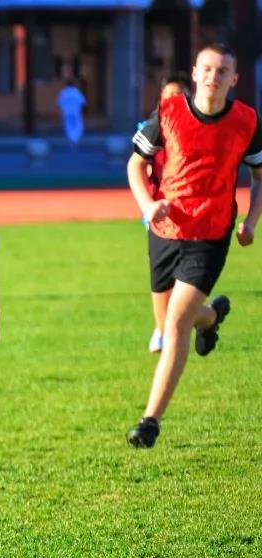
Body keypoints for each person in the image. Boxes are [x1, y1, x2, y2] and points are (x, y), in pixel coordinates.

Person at [126, 44, 262, 448]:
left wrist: (251, 221)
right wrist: (149, 206)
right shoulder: (168, 114)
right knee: (172, 319)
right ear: (195, 72)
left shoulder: (246, 120)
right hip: (165, 231)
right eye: (207, 68)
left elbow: (259, 174)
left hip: (211, 233)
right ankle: (211, 316)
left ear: (234, 79)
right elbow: (136, 162)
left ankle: (150, 420)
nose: (213, 76)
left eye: (223, 71)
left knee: (174, 326)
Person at [141, 73, 191, 353]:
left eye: (179, 95)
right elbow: (138, 164)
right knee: (160, 277)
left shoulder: (200, 127)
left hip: (192, 215)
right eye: (168, 96)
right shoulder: (153, 128)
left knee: (186, 279)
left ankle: (201, 317)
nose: (173, 101)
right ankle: (162, 330)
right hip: (159, 214)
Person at [57, 79, 87, 149]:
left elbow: (59, 103)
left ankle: (71, 139)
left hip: (66, 112)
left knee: (68, 125)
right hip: (75, 111)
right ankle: (75, 139)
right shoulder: (76, 92)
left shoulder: (63, 92)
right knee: (77, 125)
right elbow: (83, 101)